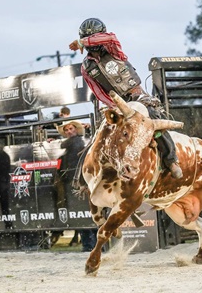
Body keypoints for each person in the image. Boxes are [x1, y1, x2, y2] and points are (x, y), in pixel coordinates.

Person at [69, 18, 182, 179]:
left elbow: (110, 37)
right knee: (100, 133)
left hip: (136, 95)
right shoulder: (86, 67)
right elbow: (99, 92)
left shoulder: (113, 48)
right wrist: (113, 106)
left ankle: (171, 160)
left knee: (153, 118)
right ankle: (84, 176)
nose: (92, 41)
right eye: (89, 38)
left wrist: (82, 41)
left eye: (94, 37)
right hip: (117, 103)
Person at [55, 120, 97, 252]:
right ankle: (91, 243)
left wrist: (55, 142)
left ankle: (89, 244)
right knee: (84, 213)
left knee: (82, 213)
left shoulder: (75, 142)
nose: (69, 131)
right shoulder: (75, 144)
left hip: (80, 182)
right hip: (78, 182)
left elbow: (63, 144)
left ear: (76, 130)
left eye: (71, 129)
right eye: (66, 130)